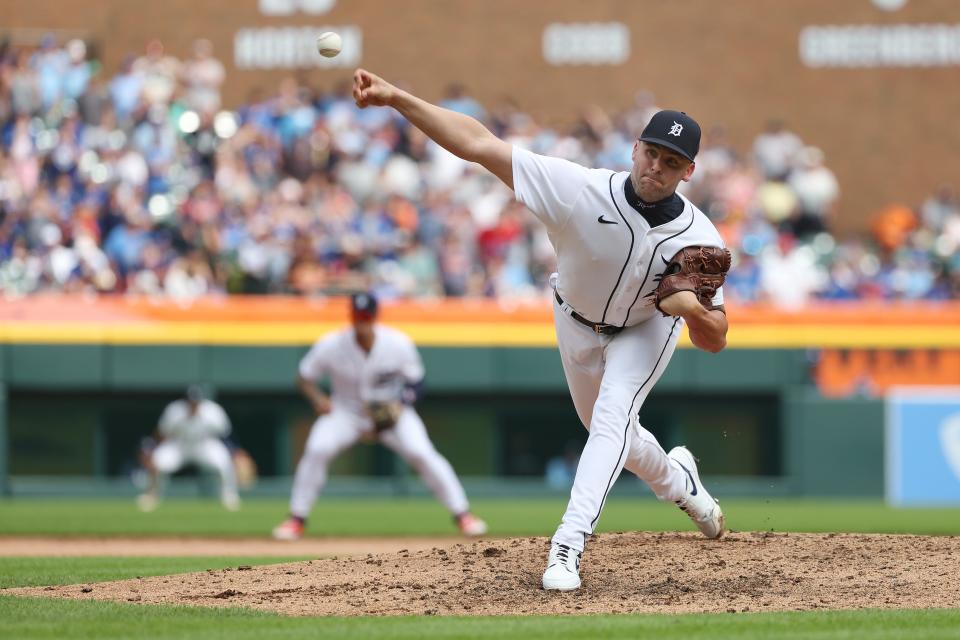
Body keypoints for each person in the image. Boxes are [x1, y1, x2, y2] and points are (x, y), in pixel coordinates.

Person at [350, 69, 728, 591]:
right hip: (573, 320)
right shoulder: (579, 189)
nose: (656, 168)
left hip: (645, 330)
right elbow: (478, 144)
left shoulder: (700, 237)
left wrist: (690, 309)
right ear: (635, 148)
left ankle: (567, 547)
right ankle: (682, 485)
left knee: (613, 417)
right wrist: (396, 98)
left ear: (688, 172)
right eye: (652, 154)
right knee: (616, 434)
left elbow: (715, 339)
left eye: (672, 162)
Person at [272, 292, 488, 540]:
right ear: (351, 316)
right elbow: (304, 378)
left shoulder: (397, 343)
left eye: (366, 315)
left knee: (422, 452)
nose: (361, 321)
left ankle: (463, 514)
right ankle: (296, 518)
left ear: (374, 316)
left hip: (391, 412)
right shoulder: (331, 344)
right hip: (346, 412)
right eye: (357, 315)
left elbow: (416, 382)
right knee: (317, 448)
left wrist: (402, 403)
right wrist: (318, 398)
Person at [136, 385, 241, 512]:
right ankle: (151, 496)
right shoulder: (174, 411)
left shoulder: (213, 411)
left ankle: (229, 496)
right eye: (191, 402)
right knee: (158, 462)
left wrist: (235, 452)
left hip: (205, 445)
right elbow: (161, 433)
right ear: (185, 401)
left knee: (224, 462)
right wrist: (153, 450)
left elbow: (226, 435)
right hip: (179, 445)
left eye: (196, 402)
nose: (193, 405)